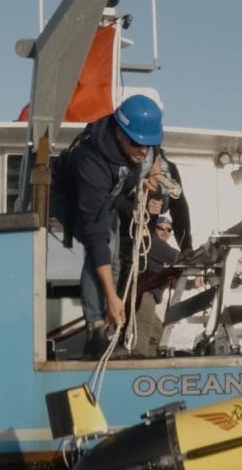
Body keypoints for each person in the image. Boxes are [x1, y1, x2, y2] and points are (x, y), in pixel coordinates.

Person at [49, 93, 167, 346]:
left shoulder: (144, 138)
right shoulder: (92, 161)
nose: (143, 149)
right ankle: (96, 328)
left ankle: (108, 319)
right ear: (119, 133)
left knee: (114, 256)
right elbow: (96, 238)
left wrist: (154, 175)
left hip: (111, 193)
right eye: (137, 143)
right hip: (68, 195)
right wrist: (113, 298)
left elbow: (154, 152)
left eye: (148, 143)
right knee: (105, 247)